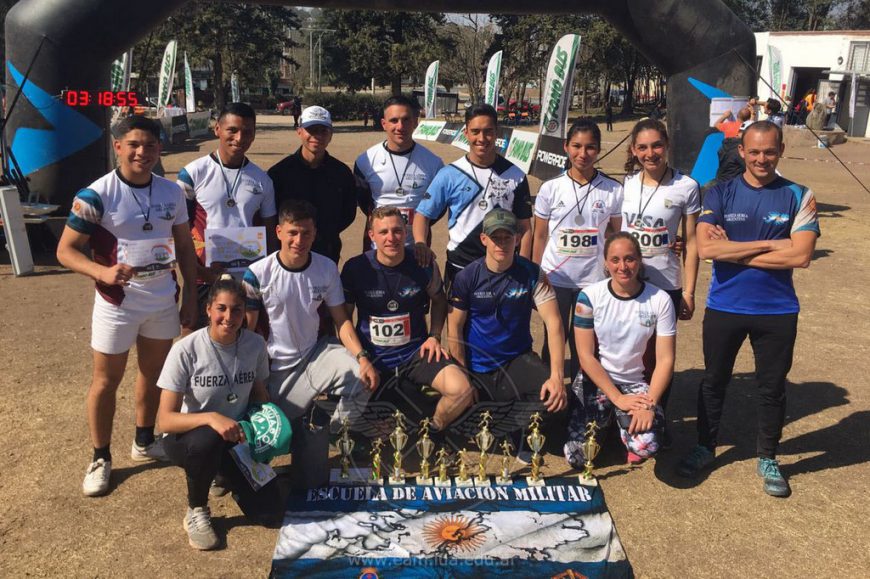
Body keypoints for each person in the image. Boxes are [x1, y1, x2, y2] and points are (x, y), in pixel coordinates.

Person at [56, 115, 198, 497]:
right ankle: (100, 457)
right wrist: (101, 273)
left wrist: (191, 294)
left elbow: (184, 247)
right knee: (106, 381)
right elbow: (65, 251)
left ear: (159, 149)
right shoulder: (96, 194)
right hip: (116, 303)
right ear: (117, 146)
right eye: (134, 144)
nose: (142, 152)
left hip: (162, 299)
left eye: (150, 145)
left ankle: (144, 440)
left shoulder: (173, 193)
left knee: (153, 374)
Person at [677, 121, 820, 498]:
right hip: (725, 306)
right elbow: (707, 250)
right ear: (741, 151)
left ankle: (768, 456)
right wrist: (774, 246)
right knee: (713, 381)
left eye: (769, 152)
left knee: (771, 387)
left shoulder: (799, 195)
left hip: (777, 310)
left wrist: (737, 251)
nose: (761, 159)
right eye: (753, 151)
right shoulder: (719, 192)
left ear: (781, 151)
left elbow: (802, 256)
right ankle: (705, 447)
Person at [242, 200, 376, 485]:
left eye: (305, 233)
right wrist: (256, 381)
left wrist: (363, 357)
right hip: (274, 368)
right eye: (292, 233)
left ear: (314, 234)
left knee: (361, 378)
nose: (298, 240)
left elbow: (342, 322)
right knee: (266, 442)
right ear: (278, 232)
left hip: (315, 355)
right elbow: (249, 336)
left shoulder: (326, 268)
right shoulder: (257, 273)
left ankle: (333, 434)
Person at [156, 276, 279, 550]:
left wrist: (268, 427)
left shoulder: (255, 344)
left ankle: (225, 473)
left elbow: (259, 394)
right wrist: (211, 417)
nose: (229, 317)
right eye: (221, 308)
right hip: (187, 438)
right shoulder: (185, 349)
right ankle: (196, 509)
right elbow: (165, 420)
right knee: (207, 440)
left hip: (236, 438)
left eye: (236, 309)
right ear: (208, 309)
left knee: (271, 513)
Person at [341, 206, 474, 432]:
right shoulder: (355, 268)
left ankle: (432, 430)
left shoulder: (422, 263)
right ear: (371, 235)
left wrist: (434, 336)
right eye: (383, 232)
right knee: (351, 422)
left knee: (462, 390)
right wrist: (360, 356)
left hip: (415, 353)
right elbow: (343, 318)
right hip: (371, 357)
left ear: (406, 232)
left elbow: (440, 300)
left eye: (397, 231)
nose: (391, 238)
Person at [447, 208, 567, 441]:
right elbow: (454, 329)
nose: (501, 244)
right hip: (477, 364)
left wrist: (557, 377)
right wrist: (462, 375)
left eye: (507, 237)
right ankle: (496, 418)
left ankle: (506, 425)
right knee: (449, 403)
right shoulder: (466, 277)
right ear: (484, 239)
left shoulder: (532, 273)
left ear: (518, 239)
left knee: (556, 401)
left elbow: (554, 324)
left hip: (516, 360)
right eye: (495, 238)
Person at [564, 232, 676, 467]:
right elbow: (585, 355)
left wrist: (649, 405)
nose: (623, 266)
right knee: (577, 457)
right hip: (598, 381)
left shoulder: (660, 299)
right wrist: (617, 398)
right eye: (615, 260)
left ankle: (621, 428)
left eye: (629, 259)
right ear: (605, 262)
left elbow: (665, 360)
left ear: (639, 261)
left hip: (638, 385)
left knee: (646, 446)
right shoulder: (589, 297)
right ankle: (611, 424)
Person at [622, 118, 700, 446]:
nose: (650, 153)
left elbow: (692, 241)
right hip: (625, 284)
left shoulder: (686, 187)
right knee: (627, 354)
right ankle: (623, 418)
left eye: (656, 146)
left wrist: (691, 292)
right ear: (633, 150)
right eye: (642, 147)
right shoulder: (625, 185)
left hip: (666, 285)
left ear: (667, 145)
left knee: (658, 358)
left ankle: (656, 420)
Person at [532, 119, 623, 380]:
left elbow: (616, 235)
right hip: (554, 279)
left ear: (598, 150)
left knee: (586, 343)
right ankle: (552, 393)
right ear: (565, 147)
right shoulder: (550, 188)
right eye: (576, 146)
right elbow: (539, 235)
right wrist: (536, 276)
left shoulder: (613, 190)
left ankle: (584, 401)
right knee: (554, 337)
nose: (583, 154)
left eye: (590, 147)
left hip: (592, 282)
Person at [177, 102, 277, 329]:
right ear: (217, 129)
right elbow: (178, 231)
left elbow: (271, 235)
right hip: (204, 276)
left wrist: (264, 276)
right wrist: (199, 272)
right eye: (232, 130)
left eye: (248, 132)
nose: (240, 138)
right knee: (194, 339)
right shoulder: (193, 173)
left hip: (247, 278)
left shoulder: (262, 179)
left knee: (243, 341)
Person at [414, 104, 533, 284]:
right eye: (475, 131)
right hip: (460, 268)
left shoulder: (515, 175)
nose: (481, 138)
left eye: (488, 131)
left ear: (497, 133)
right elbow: (422, 215)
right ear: (466, 133)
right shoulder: (449, 174)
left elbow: (525, 228)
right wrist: (420, 243)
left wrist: (523, 264)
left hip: (504, 269)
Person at [354, 95, 444, 253]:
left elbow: (438, 207)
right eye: (394, 120)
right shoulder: (365, 161)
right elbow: (364, 203)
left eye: (406, 120)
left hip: (416, 249)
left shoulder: (433, 163)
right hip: (377, 249)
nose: (400, 126)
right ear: (384, 124)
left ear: (415, 122)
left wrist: (420, 224)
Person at [268, 105, 357, 264]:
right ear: (299, 131)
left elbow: (348, 213)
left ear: (331, 134)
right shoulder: (279, 173)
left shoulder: (341, 173)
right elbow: (270, 214)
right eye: (312, 130)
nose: (317, 136)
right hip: (288, 254)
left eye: (323, 131)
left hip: (327, 253)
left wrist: (325, 233)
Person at [716, 120, 753, 184]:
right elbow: (751, 170)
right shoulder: (740, 149)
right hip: (732, 185)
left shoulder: (726, 144)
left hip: (720, 181)